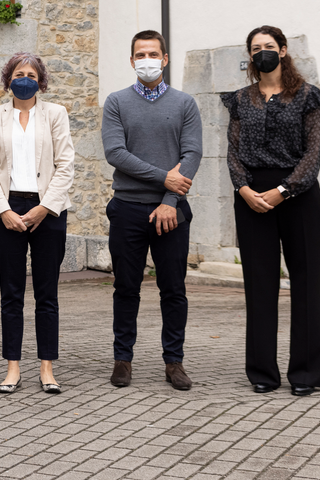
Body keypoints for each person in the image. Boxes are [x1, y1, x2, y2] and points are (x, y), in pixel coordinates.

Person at [222, 26, 320, 397]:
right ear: (250, 56)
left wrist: (283, 190)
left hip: (299, 194)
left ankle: (307, 372)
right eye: (255, 48)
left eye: (268, 46)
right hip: (250, 197)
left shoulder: (308, 96)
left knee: (308, 282)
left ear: (282, 50)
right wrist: (244, 188)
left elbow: (314, 153)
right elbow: (232, 151)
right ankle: (262, 371)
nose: (262, 52)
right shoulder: (240, 100)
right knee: (259, 285)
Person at [102, 30, 203, 391]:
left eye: (153, 54)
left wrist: (169, 200)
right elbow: (116, 153)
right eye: (140, 54)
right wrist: (165, 179)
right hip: (127, 208)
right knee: (126, 288)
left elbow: (192, 155)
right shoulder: (116, 102)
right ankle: (122, 359)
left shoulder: (184, 104)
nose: (147, 60)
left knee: (173, 289)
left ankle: (174, 362)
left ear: (165, 59)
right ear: (132, 61)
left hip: (172, 211)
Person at [0, 53, 75, 394]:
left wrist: (45, 208)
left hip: (48, 211)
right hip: (8, 208)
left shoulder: (55, 114)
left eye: (31, 73)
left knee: (47, 294)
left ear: (40, 80)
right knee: (11, 293)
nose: (25, 78)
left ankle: (47, 368)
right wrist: (3, 210)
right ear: (9, 78)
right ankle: (13, 367)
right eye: (19, 73)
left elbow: (66, 165)